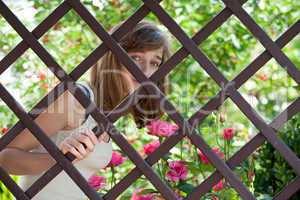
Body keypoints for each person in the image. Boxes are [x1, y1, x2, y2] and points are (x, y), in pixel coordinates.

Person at [0, 19, 171, 200]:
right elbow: (4, 157)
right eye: (136, 58)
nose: (145, 70)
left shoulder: (108, 112)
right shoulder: (76, 100)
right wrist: (60, 159)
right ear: (113, 58)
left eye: (154, 63)